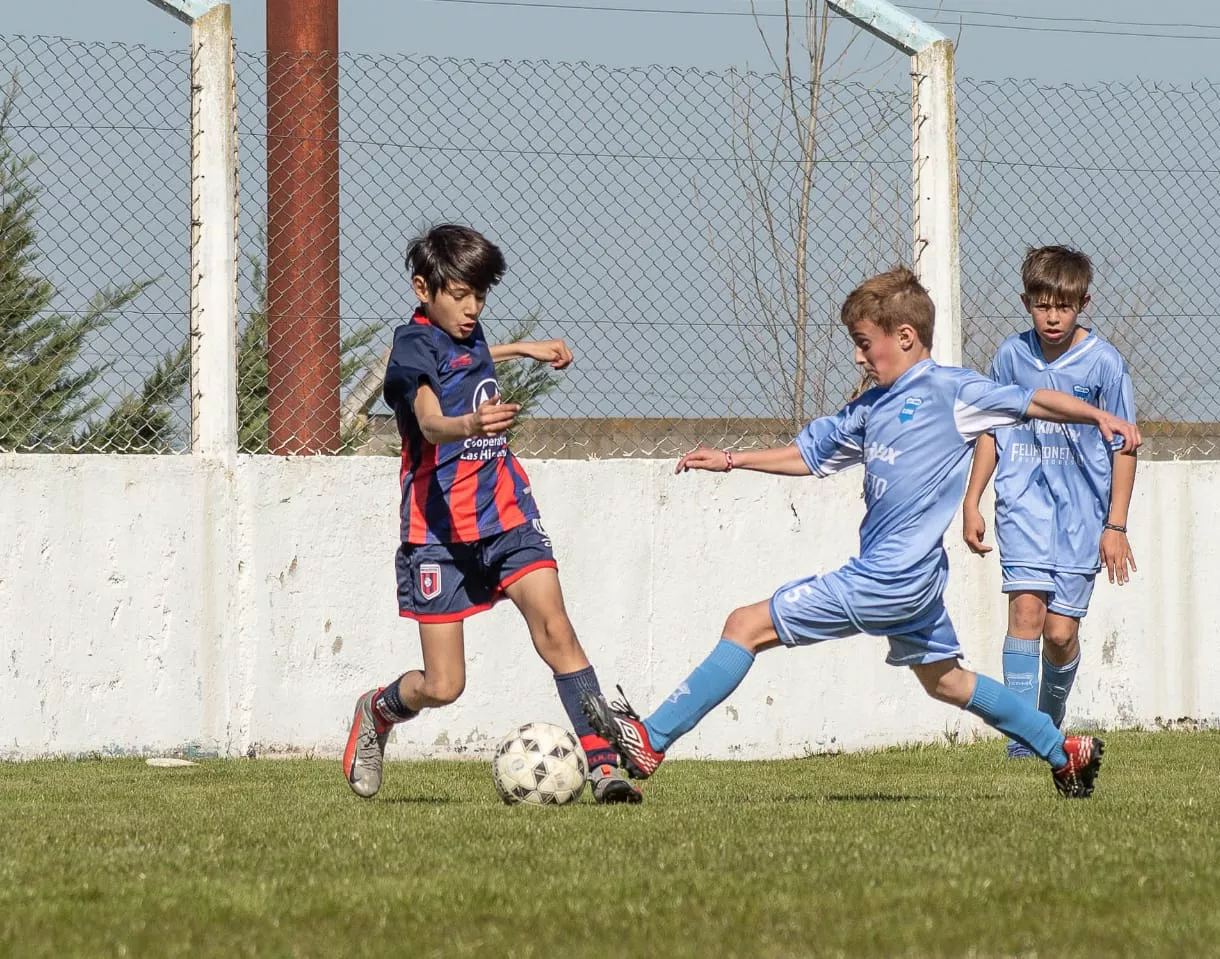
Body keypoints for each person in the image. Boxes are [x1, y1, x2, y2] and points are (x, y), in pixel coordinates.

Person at [583, 267, 1141, 798]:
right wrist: (731, 460)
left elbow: (1033, 399)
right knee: (947, 682)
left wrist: (1098, 418)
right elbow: (809, 454)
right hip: (914, 585)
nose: (858, 356)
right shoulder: (871, 407)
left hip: (889, 577)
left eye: (863, 342)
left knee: (745, 624)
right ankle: (1062, 751)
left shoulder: (953, 392)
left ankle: (652, 740)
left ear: (904, 336)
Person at [343, 224, 641, 804]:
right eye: (460, 295)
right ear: (423, 288)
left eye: (480, 295)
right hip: (438, 533)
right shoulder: (410, 347)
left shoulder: (466, 332)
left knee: (557, 629)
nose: (473, 308)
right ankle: (377, 712)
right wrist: (470, 426)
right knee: (444, 684)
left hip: (505, 514)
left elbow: (472, 356)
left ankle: (604, 766)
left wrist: (523, 349)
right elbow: (429, 419)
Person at [962, 246, 1137, 758]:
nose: (1052, 316)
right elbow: (991, 431)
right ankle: (1023, 745)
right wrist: (973, 500)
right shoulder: (1010, 358)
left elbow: (1125, 446)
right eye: (1042, 305)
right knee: (1026, 615)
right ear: (1026, 302)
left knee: (1060, 635)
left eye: (1063, 306)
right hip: (1023, 506)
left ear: (1083, 302)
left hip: (1082, 517)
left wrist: (1116, 525)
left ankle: (1048, 719)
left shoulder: (1105, 364)